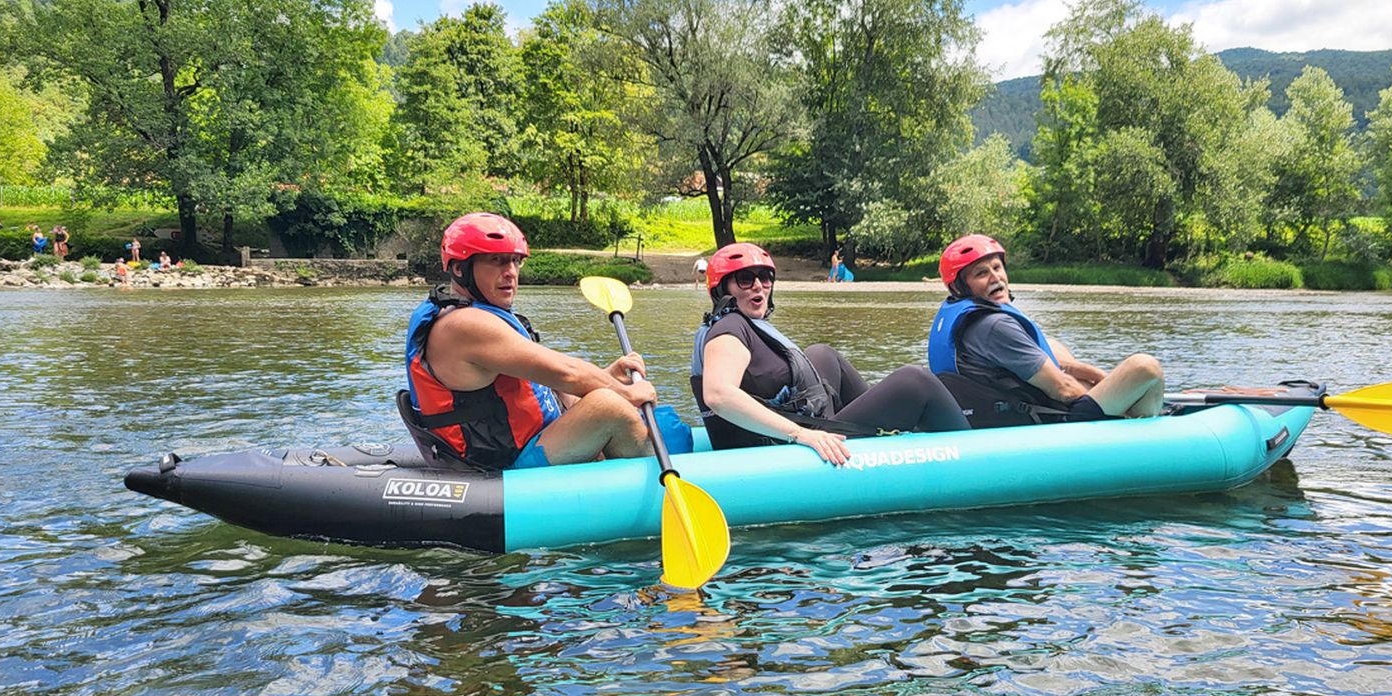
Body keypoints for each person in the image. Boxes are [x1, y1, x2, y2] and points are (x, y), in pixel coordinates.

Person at [399, 212, 656, 471]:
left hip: (526, 443)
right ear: (460, 268)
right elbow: (566, 372)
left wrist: (605, 376)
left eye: (515, 261)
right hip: (498, 469)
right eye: (496, 261)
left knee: (598, 396)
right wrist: (625, 393)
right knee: (610, 406)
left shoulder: (483, 314)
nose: (510, 272)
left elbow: (548, 381)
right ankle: (656, 484)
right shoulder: (463, 326)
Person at [691, 242, 968, 465]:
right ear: (721, 289)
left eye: (765, 277)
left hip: (801, 423)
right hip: (778, 447)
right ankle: (971, 452)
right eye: (745, 279)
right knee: (915, 381)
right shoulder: (728, 328)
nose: (758, 286)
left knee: (822, 354)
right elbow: (718, 395)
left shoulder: (737, 323)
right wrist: (800, 435)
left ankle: (889, 435)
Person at [929, 234, 1164, 427]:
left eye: (997, 267)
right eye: (981, 273)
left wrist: (1102, 380)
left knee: (1052, 344)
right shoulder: (995, 327)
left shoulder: (967, 317)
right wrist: (1117, 406)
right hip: (1054, 422)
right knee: (1144, 367)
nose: (995, 278)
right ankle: (1141, 429)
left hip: (1004, 409)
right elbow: (1062, 390)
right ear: (960, 286)